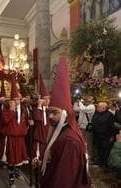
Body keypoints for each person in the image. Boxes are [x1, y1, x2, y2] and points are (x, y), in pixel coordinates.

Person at [40, 57, 91, 188]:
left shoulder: (70, 141)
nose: (50, 116)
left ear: (65, 114)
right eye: (49, 112)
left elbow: (64, 179)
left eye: (54, 112)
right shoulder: (62, 130)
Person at [0, 77, 32, 188]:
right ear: (11, 101)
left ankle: (16, 172)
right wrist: (11, 111)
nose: (17, 102)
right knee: (11, 159)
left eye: (18, 100)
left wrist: (29, 124)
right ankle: (11, 179)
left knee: (19, 158)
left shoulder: (24, 110)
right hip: (10, 138)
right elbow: (5, 122)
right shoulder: (6, 111)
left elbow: (26, 121)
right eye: (14, 100)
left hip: (20, 138)